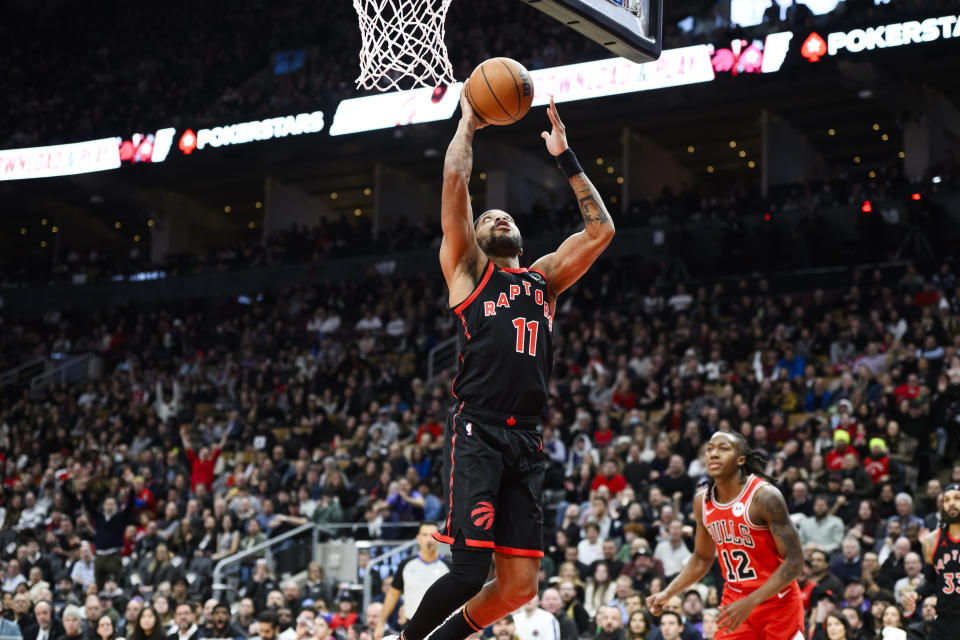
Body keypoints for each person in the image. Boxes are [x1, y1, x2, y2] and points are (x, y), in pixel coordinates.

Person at [384, 87, 615, 640]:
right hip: (480, 429)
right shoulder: (468, 270)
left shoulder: (543, 280)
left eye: (505, 215)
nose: (497, 217)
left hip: (527, 438)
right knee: (468, 572)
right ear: (480, 236)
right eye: (489, 217)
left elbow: (600, 231)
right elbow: (455, 184)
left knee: (519, 588)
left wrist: (566, 158)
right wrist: (468, 123)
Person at [647, 430, 804, 640]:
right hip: (735, 602)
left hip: (778, 603)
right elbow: (702, 558)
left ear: (741, 459)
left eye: (723, 449)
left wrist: (751, 601)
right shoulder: (702, 502)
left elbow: (795, 561)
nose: (713, 454)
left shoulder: (765, 497)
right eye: (710, 449)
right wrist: (668, 593)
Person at [902, 483, 960, 640]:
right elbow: (931, 582)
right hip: (944, 620)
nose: (951, 503)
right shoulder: (931, 541)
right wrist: (915, 594)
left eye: (957, 498)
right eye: (946, 500)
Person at [374, 523, 451, 640]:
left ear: (439, 538)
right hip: (410, 625)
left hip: (441, 626)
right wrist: (380, 624)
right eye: (425, 535)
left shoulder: (449, 565)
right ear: (418, 538)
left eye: (432, 535)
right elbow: (392, 596)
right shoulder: (406, 564)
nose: (429, 539)